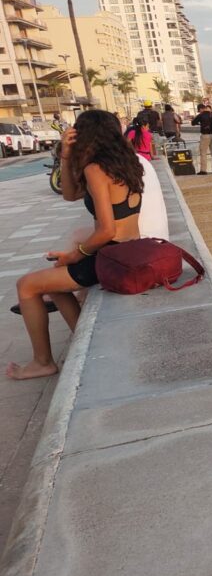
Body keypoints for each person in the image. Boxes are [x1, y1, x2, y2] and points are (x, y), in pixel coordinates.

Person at [6, 110, 143, 380]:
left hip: (111, 256)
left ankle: (42, 362)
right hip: (129, 251)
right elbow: (69, 195)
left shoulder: (96, 169)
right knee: (54, 288)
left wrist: (73, 255)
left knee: (26, 285)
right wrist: (66, 157)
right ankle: (87, 344)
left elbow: (106, 230)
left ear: (85, 136)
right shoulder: (125, 163)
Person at [190, 103, 212, 174]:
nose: (199, 111)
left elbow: (193, 123)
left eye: (199, 110)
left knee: (203, 153)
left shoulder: (201, 115)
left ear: (201, 109)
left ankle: (203, 170)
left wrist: (199, 123)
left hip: (205, 136)